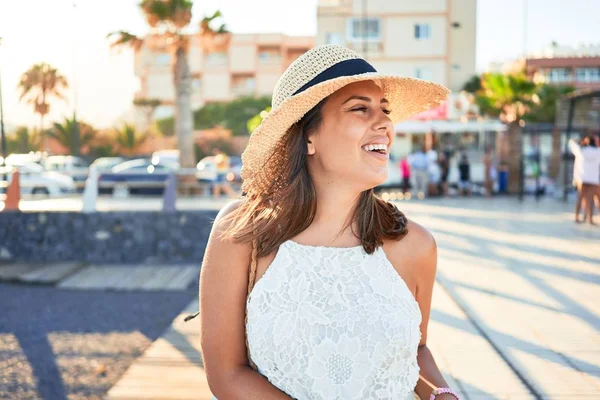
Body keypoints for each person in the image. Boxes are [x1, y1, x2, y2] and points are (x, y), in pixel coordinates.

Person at [193, 45, 459, 400]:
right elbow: (227, 375)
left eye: (384, 110)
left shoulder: (415, 245)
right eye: (360, 109)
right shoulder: (242, 232)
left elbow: (415, 352)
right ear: (308, 136)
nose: (384, 123)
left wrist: (442, 394)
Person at [569, 135, 600, 224]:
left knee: (580, 198)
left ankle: (577, 216)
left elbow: (571, 142)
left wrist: (581, 141)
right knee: (591, 199)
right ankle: (590, 218)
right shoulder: (598, 152)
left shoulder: (581, 150)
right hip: (594, 179)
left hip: (582, 178)